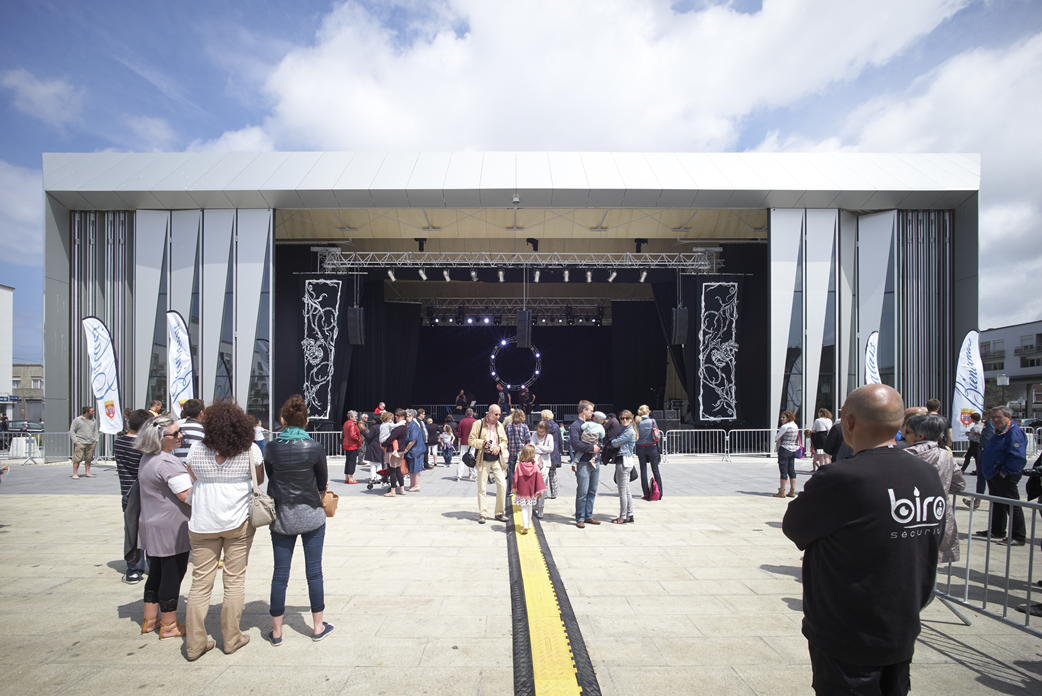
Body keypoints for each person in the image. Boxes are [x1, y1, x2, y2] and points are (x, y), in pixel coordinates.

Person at [782, 384, 945, 695]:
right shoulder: (927, 474)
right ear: (901, 424)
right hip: (903, 620)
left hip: (848, 630)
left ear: (849, 423)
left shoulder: (842, 478)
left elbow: (795, 527)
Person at [184, 400, 262, 660]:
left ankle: (195, 644)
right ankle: (231, 638)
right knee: (234, 580)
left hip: (202, 521)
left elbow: (192, 475)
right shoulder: (249, 450)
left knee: (200, 583)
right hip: (238, 522)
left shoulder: (196, 449)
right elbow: (258, 480)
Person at [264, 394, 333, 645]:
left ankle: (277, 632)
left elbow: (271, 476)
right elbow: (322, 481)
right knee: (314, 572)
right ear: (305, 421)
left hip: (282, 516)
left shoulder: (271, 447)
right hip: (311, 514)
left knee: (280, 574)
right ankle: (317, 627)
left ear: (282, 420)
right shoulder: (314, 447)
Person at [134, 416, 193, 639]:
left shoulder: (147, 458)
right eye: (175, 434)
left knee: (156, 572)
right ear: (160, 438)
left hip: (151, 522)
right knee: (172, 573)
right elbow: (185, 495)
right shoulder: (167, 462)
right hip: (171, 525)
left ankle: (150, 619)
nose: (180, 436)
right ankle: (168, 624)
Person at [903, 414, 966, 563]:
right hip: (936, 514)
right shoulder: (946, 455)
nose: (904, 435)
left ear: (920, 435)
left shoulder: (905, 455)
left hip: (907, 514)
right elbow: (958, 483)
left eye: (908, 432)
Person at [975, 406, 1028, 546]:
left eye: (998, 417)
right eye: (992, 418)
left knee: (1012, 505)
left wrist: (1005, 472)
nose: (995, 420)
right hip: (993, 474)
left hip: (1004, 475)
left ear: (1008, 417)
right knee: (997, 503)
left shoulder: (1014, 432)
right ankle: (997, 530)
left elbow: (1018, 457)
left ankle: (1018, 536)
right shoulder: (998, 431)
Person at [115, 409, 152, 584]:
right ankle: (151, 565)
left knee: (132, 531)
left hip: (127, 492)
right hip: (145, 492)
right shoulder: (144, 446)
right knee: (151, 530)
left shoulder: (119, 442)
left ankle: (134, 569)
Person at [469, 404, 508, 524]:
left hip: (496, 459)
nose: (498, 416)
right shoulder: (478, 424)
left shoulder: (500, 425)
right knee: (482, 487)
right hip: (483, 459)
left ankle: (499, 512)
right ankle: (483, 513)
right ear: (489, 413)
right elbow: (471, 440)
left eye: (499, 414)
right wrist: (482, 443)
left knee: (502, 485)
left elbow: (505, 441)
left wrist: (499, 447)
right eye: (496, 414)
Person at [570, 400, 601, 528]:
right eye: (591, 410)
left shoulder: (592, 425)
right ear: (584, 410)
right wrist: (591, 448)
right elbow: (575, 444)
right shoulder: (575, 426)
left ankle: (588, 515)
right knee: (582, 491)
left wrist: (598, 446)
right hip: (583, 463)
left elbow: (599, 438)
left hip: (595, 462)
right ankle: (580, 517)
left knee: (592, 491)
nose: (592, 413)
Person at [610, 410, 637, 524]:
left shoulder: (629, 431)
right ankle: (629, 514)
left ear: (631, 419)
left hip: (624, 460)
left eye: (627, 418)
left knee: (622, 491)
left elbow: (614, 442)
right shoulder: (624, 430)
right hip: (624, 460)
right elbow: (614, 438)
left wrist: (614, 442)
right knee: (626, 490)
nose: (624, 420)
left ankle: (623, 516)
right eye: (622, 418)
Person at [512, 444, 546, 534]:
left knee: (523, 507)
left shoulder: (519, 466)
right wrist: (539, 491)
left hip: (522, 491)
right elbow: (539, 479)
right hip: (531, 491)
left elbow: (515, 478)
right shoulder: (535, 466)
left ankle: (525, 524)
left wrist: (514, 487)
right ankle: (529, 523)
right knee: (530, 507)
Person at [634, 405, 663, 501]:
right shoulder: (652, 421)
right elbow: (656, 432)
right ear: (648, 412)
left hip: (641, 447)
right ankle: (659, 493)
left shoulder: (637, 422)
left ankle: (646, 493)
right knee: (655, 470)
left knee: (643, 470)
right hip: (652, 447)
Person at [530, 420, 554, 518]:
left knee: (542, 485)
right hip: (535, 461)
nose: (540, 433)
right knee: (534, 484)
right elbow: (531, 447)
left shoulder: (549, 437)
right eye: (539, 431)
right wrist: (543, 449)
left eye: (542, 432)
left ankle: (541, 507)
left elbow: (551, 449)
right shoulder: (534, 435)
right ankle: (534, 503)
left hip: (545, 463)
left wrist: (539, 446)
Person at [504, 409, 531, 496]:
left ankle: (510, 490)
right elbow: (528, 440)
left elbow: (505, 438)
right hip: (522, 452)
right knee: (523, 470)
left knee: (511, 469)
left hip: (511, 451)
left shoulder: (508, 426)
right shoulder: (524, 426)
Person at [773, 411, 799, 498]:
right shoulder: (795, 425)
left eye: (783, 417)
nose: (782, 419)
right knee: (791, 470)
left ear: (788, 418)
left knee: (783, 470)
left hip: (785, 449)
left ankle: (782, 491)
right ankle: (792, 490)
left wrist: (780, 439)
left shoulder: (785, 426)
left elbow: (776, 438)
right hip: (793, 449)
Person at [69, 405, 98, 479]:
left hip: (91, 442)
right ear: (86, 412)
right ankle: (75, 473)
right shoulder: (78, 420)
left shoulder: (93, 420)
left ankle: (87, 472)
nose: (93, 412)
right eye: (92, 411)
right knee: (77, 458)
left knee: (89, 458)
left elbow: (95, 431)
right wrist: (75, 441)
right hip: (80, 442)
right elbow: (72, 430)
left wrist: (95, 440)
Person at [173, 399, 206, 463]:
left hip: (178, 468)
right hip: (196, 470)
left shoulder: (177, 430)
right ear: (201, 413)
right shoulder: (204, 431)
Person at [541, 409, 563, 500]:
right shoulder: (557, 426)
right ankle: (554, 493)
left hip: (545, 452)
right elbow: (559, 440)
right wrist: (560, 451)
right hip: (554, 453)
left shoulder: (542, 426)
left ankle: (544, 494)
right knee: (553, 474)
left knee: (544, 473)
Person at [402, 409, 426, 492]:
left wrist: (405, 450)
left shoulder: (414, 425)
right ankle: (412, 484)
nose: (406, 418)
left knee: (416, 468)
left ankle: (416, 485)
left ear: (412, 416)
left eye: (407, 416)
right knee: (411, 469)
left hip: (416, 451)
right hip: (411, 451)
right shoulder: (408, 425)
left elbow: (413, 440)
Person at [457, 408, 478, 483]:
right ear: (472, 414)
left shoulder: (462, 421)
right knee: (472, 458)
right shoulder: (475, 422)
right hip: (472, 442)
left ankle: (459, 475)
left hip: (464, 442)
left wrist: (460, 441)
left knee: (461, 459)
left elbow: (459, 433)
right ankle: (475, 476)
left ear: (465, 414)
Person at [362, 414, 384, 484]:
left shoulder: (374, 427)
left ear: (374, 420)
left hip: (374, 445)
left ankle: (373, 478)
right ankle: (379, 477)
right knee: (380, 462)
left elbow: (369, 437)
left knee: (373, 463)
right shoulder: (383, 426)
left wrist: (363, 431)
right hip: (381, 445)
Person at [341, 410, 362, 484]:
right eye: (355, 416)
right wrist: (358, 439)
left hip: (346, 444)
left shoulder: (346, 423)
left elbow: (344, 433)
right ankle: (350, 478)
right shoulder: (352, 424)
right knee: (352, 461)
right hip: (352, 445)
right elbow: (353, 435)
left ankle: (346, 477)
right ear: (351, 417)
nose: (357, 418)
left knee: (348, 461)